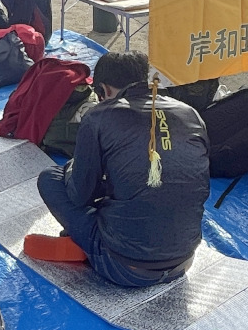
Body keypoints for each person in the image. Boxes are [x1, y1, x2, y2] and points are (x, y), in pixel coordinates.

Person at [32, 51, 210, 287]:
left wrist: (74, 168)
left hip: (125, 268)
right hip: (184, 260)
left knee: (50, 178)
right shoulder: (190, 113)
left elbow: (78, 194)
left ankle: (94, 247)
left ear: (104, 90)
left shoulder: (99, 116)